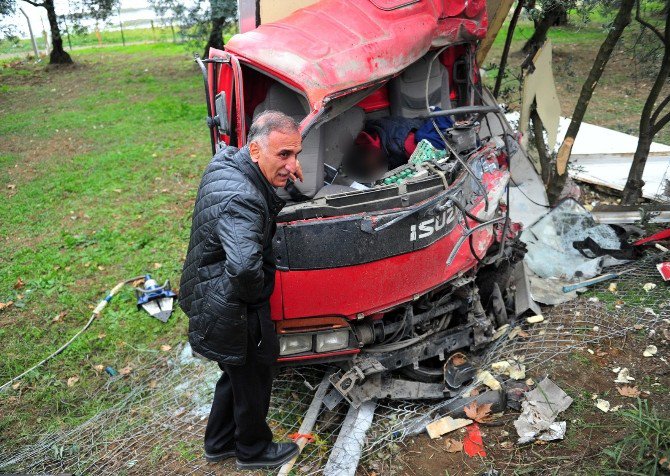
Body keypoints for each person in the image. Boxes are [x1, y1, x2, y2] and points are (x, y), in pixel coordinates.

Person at [178, 110, 304, 470]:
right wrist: (259, 295)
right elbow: (246, 267)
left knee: (233, 372)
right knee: (255, 376)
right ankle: (253, 450)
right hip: (230, 305)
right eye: (283, 155)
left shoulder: (224, 163)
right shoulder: (244, 200)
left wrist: (283, 179)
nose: (292, 164)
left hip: (207, 293)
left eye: (296, 154)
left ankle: (218, 443)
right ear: (254, 150)